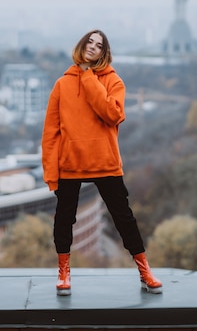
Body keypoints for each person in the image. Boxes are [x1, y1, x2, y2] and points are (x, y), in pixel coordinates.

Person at [41, 29, 162, 296]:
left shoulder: (114, 81)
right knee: (64, 219)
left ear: (103, 52)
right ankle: (63, 272)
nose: (93, 47)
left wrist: (88, 76)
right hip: (71, 163)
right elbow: (50, 134)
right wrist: (51, 174)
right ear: (81, 45)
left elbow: (112, 115)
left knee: (124, 219)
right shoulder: (62, 84)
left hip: (104, 160)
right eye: (89, 42)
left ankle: (144, 270)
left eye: (99, 44)